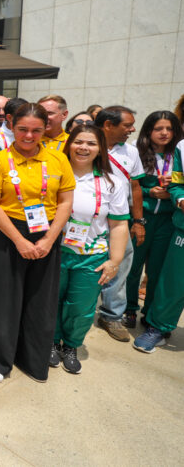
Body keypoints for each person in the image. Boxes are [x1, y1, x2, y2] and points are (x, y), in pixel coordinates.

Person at [0, 103, 75, 383]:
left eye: (36, 130)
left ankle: (32, 357)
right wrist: (20, 241)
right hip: (7, 234)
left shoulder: (58, 160)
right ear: (11, 126)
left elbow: (66, 201)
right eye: (22, 129)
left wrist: (48, 239)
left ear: (46, 129)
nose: (29, 136)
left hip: (47, 234)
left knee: (39, 301)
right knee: (2, 300)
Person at [52, 124, 129, 374]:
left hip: (90, 257)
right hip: (54, 253)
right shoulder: (53, 174)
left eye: (91, 143)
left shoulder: (113, 183)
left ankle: (71, 345)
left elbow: (118, 225)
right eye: (78, 142)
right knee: (50, 302)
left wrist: (114, 260)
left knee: (80, 308)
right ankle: (50, 342)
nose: (84, 148)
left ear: (100, 149)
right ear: (69, 144)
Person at [125, 111, 182, 326]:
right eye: (159, 128)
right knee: (133, 267)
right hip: (142, 217)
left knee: (156, 270)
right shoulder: (135, 152)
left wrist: (172, 191)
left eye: (169, 129)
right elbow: (130, 188)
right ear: (149, 130)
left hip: (168, 220)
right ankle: (129, 308)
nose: (165, 133)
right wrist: (151, 192)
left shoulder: (178, 155)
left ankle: (150, 312)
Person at [94, 106, 144, 340]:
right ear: (108, 125)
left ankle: (111, 316)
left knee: (120, 264)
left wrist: (138, 221)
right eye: (127, 125)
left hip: (119, 220)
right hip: (88, 219)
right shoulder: (87, 145)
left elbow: (135, 187)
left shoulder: (131, 152)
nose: (132, 129)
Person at [134, 134, 184, 352]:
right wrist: (180, 199)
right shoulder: (183, 147)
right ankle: (158, 327)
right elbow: (178, 183)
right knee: (173, 282)